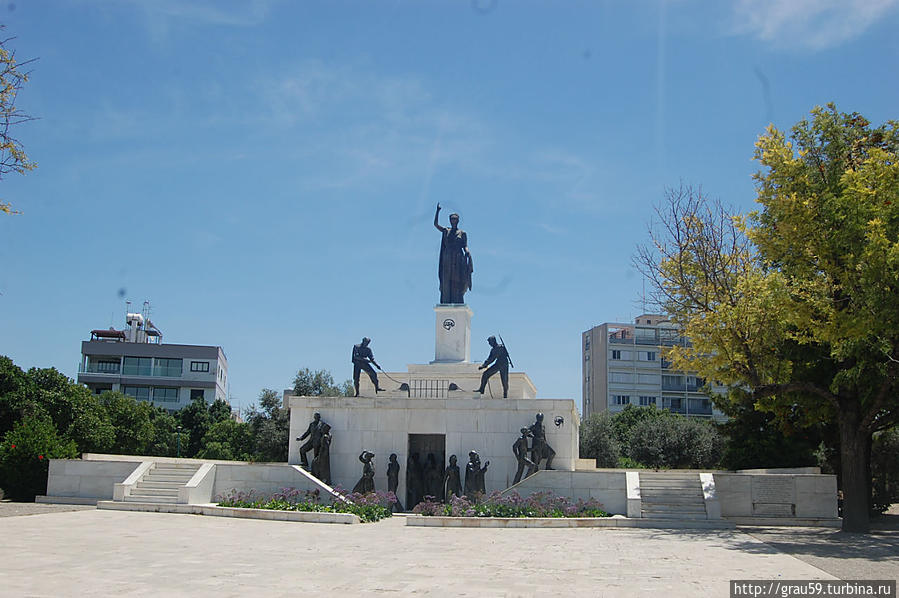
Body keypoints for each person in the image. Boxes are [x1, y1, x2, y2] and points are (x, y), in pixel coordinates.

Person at [434, 203, 473, 304]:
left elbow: (465, 245)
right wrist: (437, 211)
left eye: (455, 219)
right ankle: (446, 300)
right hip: (447, 259)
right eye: (452, 219)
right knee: (446, 280)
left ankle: (457, 300)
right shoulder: (446, 231)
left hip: (457, 259)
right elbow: (436, 225)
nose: (453, 221)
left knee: (457, 281)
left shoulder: (462, 233)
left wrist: (467, 251)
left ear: (458, 220)